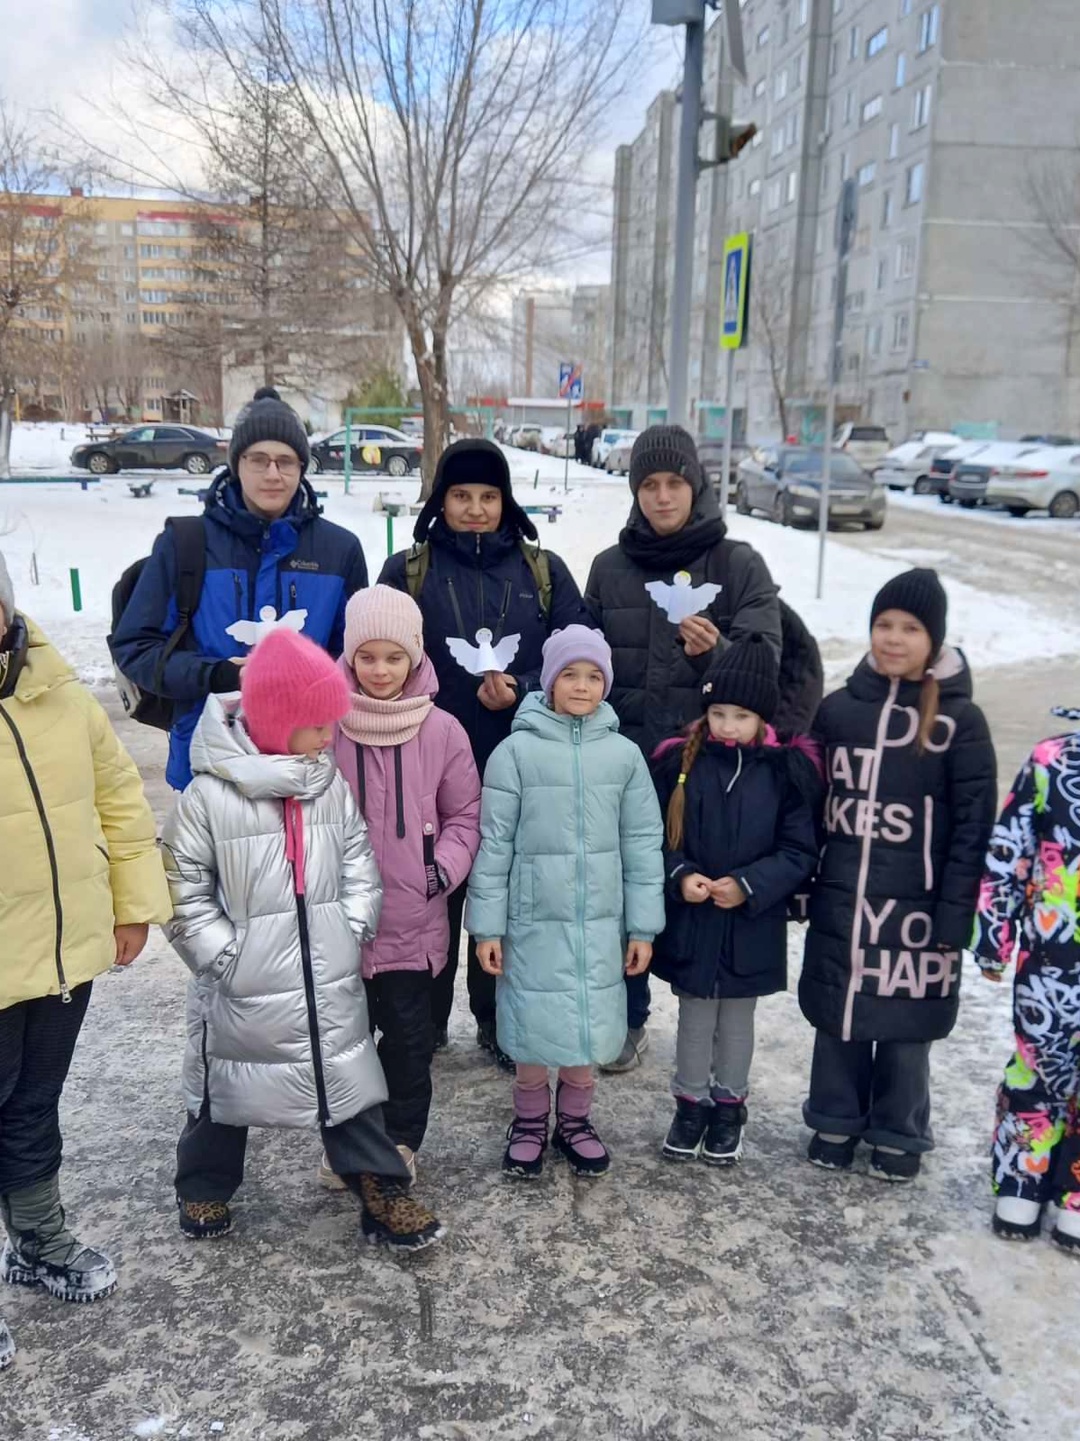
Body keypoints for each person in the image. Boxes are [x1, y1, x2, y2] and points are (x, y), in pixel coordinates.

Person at [162, 627, 443, 1252]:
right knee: (221, 1084)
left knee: (346, 1077)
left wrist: (352, 923)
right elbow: (181, 890)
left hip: (327, 967)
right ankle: (203, 1182)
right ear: (279, 719)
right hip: (242, 981)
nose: (328, 737)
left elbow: (357, 861)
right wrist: (223, 956)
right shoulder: (208, 796)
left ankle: (380, 1186)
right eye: (317, 725)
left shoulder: (325, 784)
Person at [0, 551, 171, 1369]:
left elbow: (118, 798)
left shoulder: (60, 693)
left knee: (34, 1104)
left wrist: (133, 901)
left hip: (66, 950)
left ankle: (36, 1238)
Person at [379, 438, 592, 1067]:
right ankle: (425, 1019)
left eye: (488, 497)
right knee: (431, 893)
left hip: (518, 762)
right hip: (425, 768)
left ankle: (499, 1020)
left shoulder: (541, 572)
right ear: (441, 501)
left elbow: (579, 651)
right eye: (462, 496)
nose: (475, 508)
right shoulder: (407, 572)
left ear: (506, 501)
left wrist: (525, 689)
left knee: (507, 896)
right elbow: (379, 658)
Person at [585, 423, 782, 1073]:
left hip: (709, 771)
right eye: (648, 484)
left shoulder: (738, 563)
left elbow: (766, 660)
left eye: (674, 482)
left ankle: (711, 1036)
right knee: (626, 894)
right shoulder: (611, 569)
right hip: (629, 758)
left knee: (700, 894)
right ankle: (630, 1015)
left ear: (695, 484)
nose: (662, 496)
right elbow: (584, 662)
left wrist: (718, 654)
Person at [800, 569, 997, 1181]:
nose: (893, 638)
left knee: (908, 1029)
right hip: (843, 898)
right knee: (840, 1016)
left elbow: (973, 827)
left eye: (910, 629)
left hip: (919, 909)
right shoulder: (838, 710)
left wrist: (957, 913)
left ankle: (898, 1132)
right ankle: (834, 1120)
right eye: (883, 625)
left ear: (933, 640)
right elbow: (807, 807)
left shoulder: (960, 724)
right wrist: (806, 882)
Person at [467, 626, 665, 1178]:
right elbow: (494, 842)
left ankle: (576, 1121)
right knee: (533, 1023)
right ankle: (530, 1121)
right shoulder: (515, 752)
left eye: (594, 675)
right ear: (549, 681)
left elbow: (643, 843)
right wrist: (487, 927)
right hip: (532, 921)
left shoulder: (624, 757)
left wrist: (642, 927)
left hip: (601, 922)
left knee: (585, 1024)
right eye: (570, 675)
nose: (582, 686)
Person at [111, 387, 369, 791]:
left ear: (302, 467)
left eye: (285, 461)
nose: (272, 473)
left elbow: (353, 657)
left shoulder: (340, 550)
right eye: (258, 459)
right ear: (236, 464)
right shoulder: (185, 545)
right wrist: (216, 675)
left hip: (304, 761)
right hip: (210, 762)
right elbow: (136, 647)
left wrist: (306, 690)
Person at [329, 585, 481, 1187]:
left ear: (415, 656)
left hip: (414, 926)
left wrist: (438, 870)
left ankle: (400, 1139)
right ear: (348, 658)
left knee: (409, 1045)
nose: (381, 670)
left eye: (394, 657)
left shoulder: (442, 731)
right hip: (340, 924)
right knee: (346, 1045)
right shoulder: (328, 724)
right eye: (367, 657)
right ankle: (349, 1141)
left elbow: (466, 815)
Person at [650, 636, 821, 1166]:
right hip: (694, 921)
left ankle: (729, 1106)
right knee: (695, 1018)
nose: (727, 725)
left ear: (761, 719)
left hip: (750, 923)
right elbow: (653, 836)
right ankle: (690, 1103)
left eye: (740, 715)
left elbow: (798, 850)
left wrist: (748, 884)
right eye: (718, 712)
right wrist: (680, 875)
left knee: (737, 1022)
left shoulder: (782, 772)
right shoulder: (682, 763)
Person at [971, 716, 1080, 1253]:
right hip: (1053, 954)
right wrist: (994, 934)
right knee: (1038, 1062)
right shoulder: (1052, 760)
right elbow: (1009, 850)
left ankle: (1076, 1194)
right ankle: (1022, 1176)